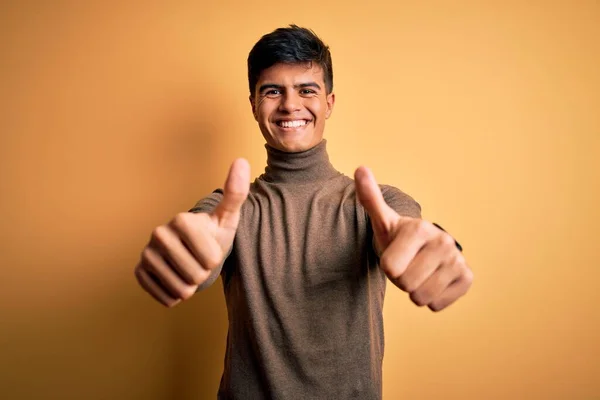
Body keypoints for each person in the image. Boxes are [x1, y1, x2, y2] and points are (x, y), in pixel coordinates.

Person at [134, 25, 473, 399]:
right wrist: (185, 253)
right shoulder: (226, 210)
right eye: (273, 91)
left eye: (306, 90)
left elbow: (411, 230)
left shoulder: (377, 205)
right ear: (253, 104)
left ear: (328, 102)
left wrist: (437, 246)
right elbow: (201, 241)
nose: (290, 105)